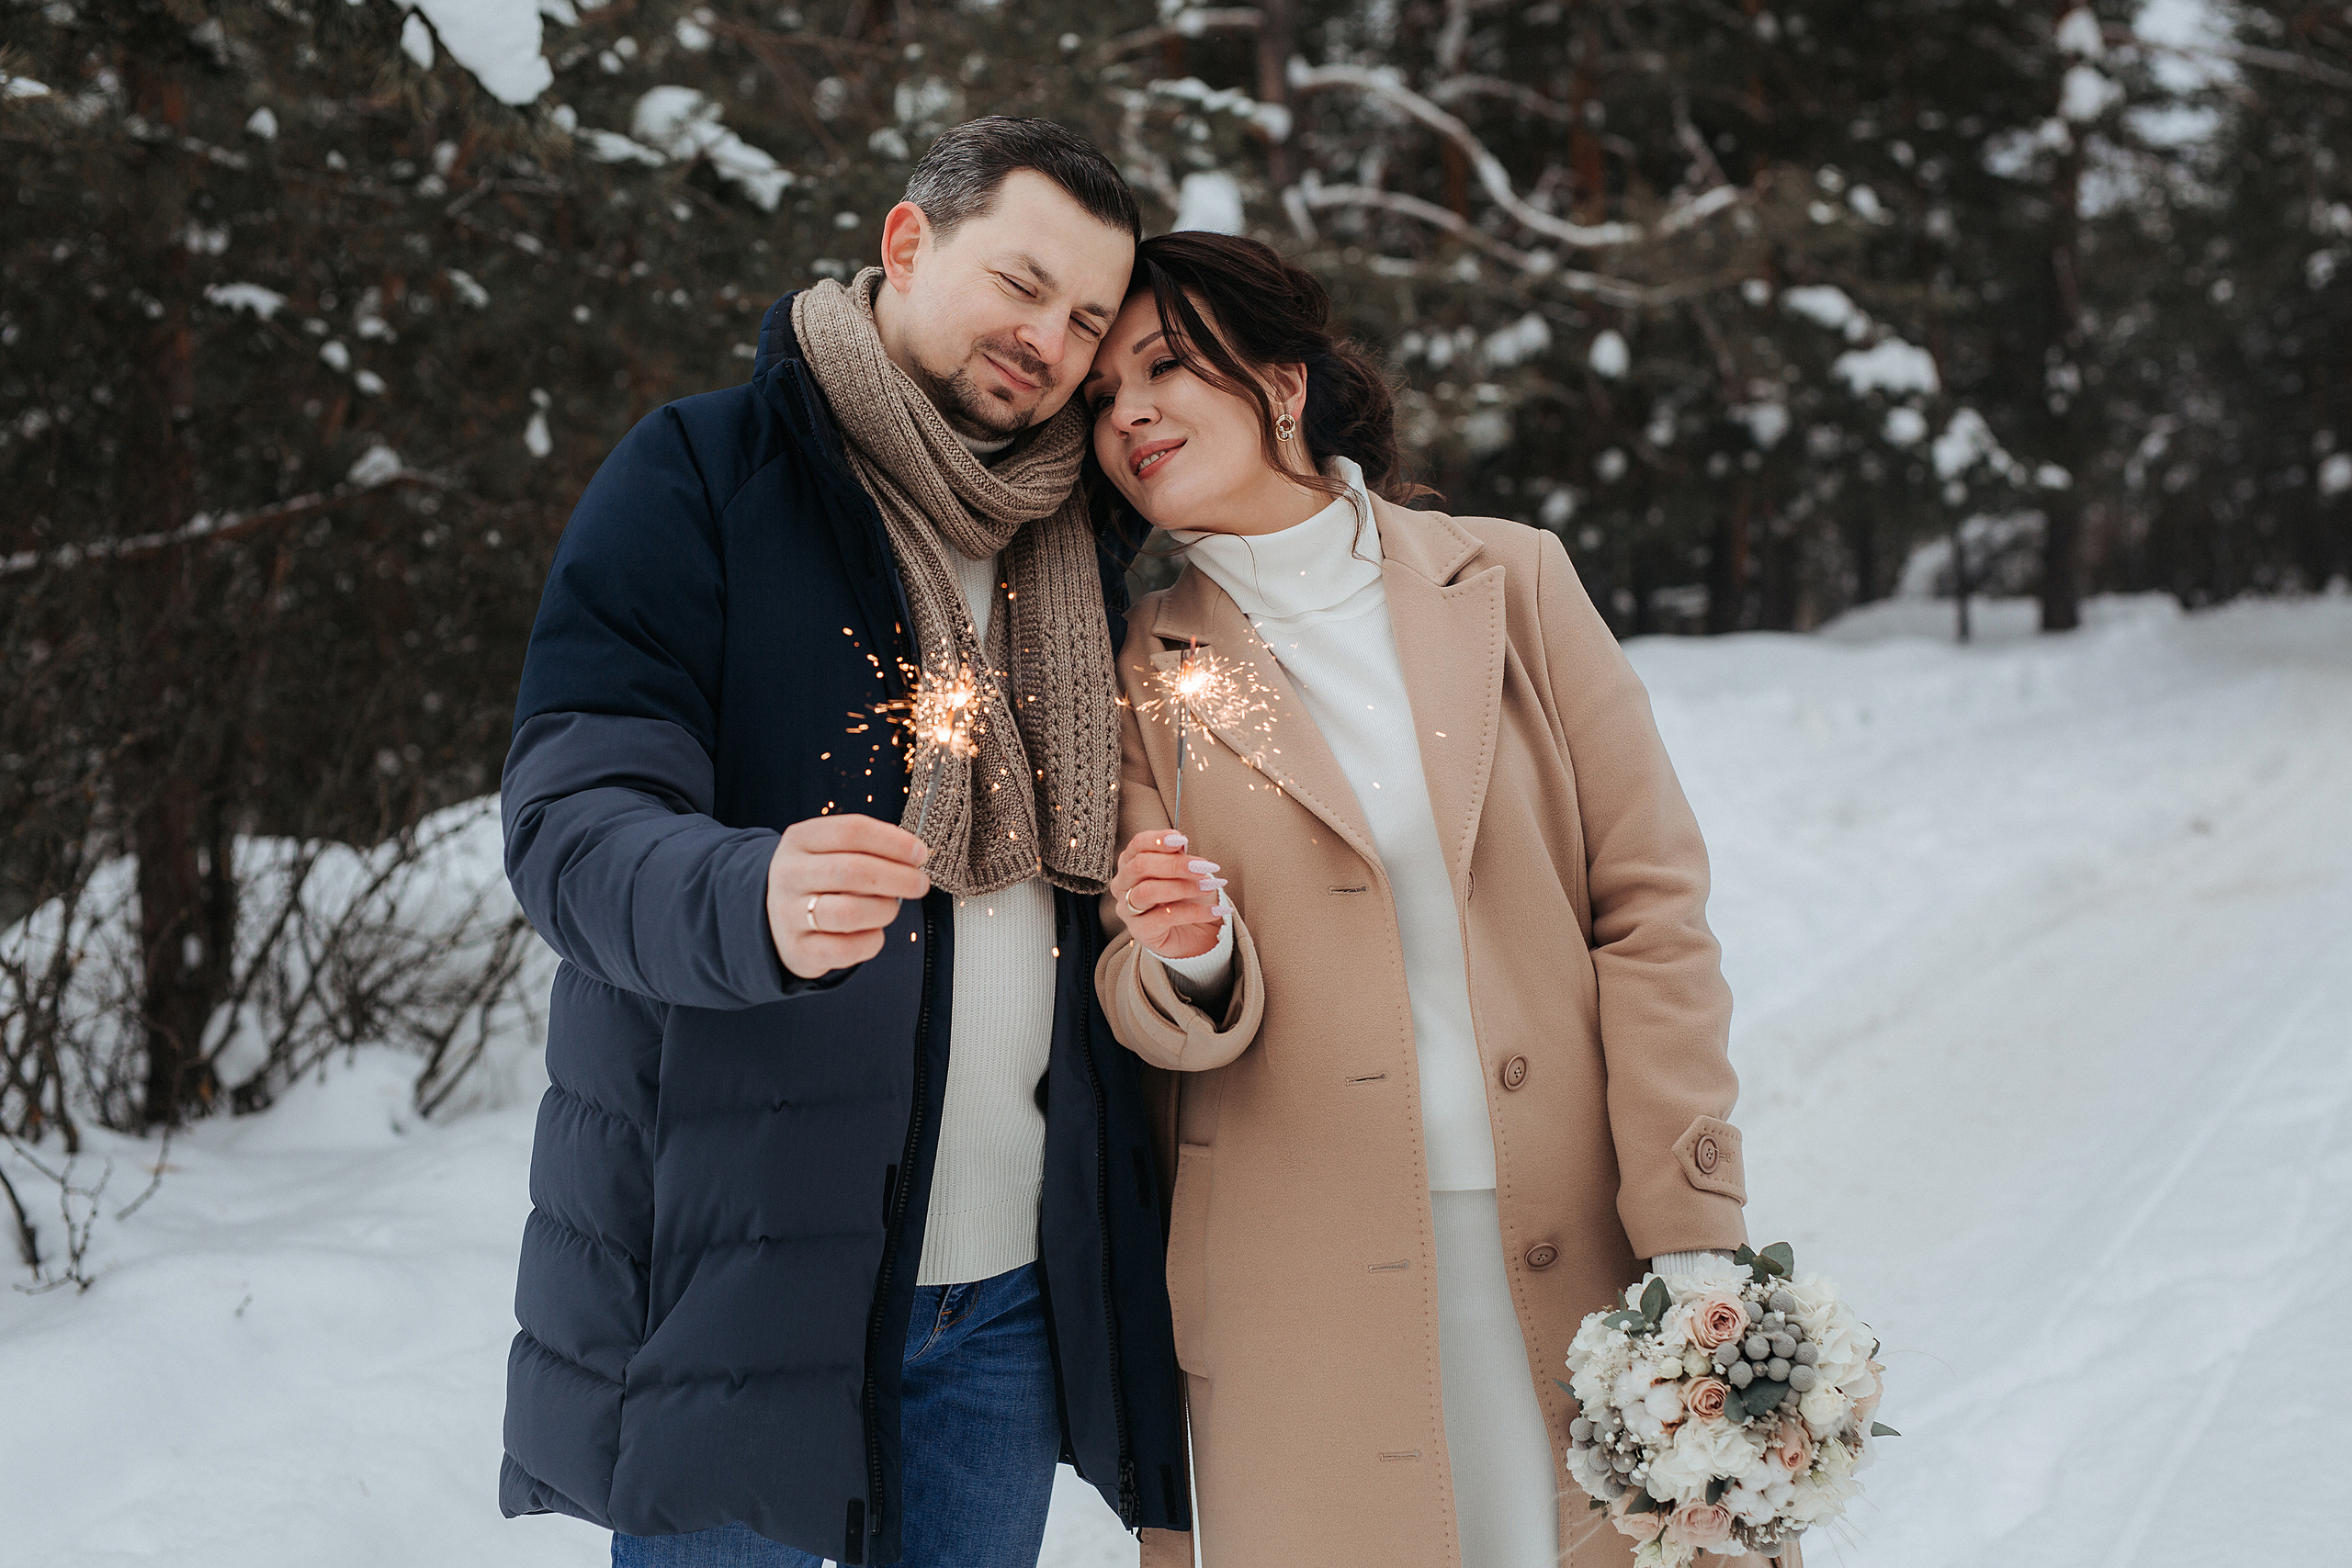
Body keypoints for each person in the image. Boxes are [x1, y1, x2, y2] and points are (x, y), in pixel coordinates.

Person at [497, 118, 1190, 1568]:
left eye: (1083, 319)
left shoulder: (1088, 540)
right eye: (1020, 282)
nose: (1047, 341)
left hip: (1003, 1302)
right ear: (905, 242)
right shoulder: (703, 474)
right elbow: (569, 822)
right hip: (745, 1280)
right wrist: (744, 895)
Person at [1084, 233, 1787, 1568]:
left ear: (1281, 382)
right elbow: (1135, 985)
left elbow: (1648, 914)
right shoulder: (1135, 668)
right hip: (1304, 1296)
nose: (1129, 413)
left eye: (1164, 366)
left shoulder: (1510, 582)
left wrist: (1693, 1235)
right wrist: (1190, 955)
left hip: (1577, 1245)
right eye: (1102, 397)